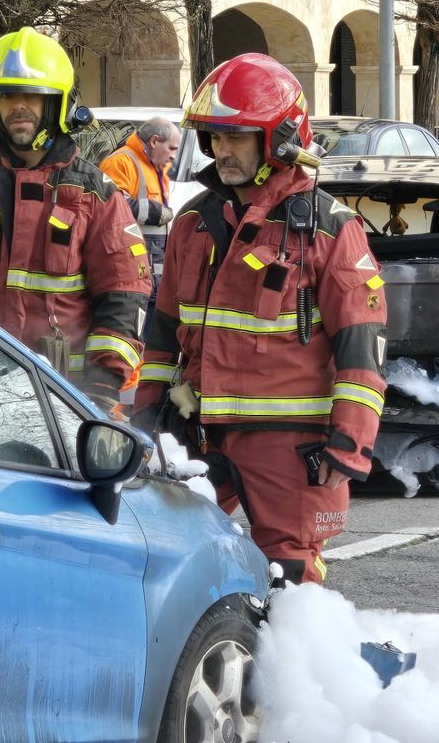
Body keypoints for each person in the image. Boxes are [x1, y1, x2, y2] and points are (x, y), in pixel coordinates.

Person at [133, 52, 389, 585]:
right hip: (198, 433)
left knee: (291, 575)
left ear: (278, 138)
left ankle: (296, 669)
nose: (221, 151)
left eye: (237, 138)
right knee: (171, 567)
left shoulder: (329, 231)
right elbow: (162, 335)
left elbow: (360, 352)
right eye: (215, 139)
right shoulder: (194, 223)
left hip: (290, 447)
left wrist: (350, 442)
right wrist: (147, 418)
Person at [0, 27, 151, 410]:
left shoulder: (97, 195)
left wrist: (100, 392)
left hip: (62, 397)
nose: (18, 106)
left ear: (56, 105)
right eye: (8, 96)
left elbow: (123, 298)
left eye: (32, 96)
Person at [99, 116, 179, 299]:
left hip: (150, 280)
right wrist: (154, 211)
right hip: (130, 279)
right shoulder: (120, 162)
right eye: (171, 148)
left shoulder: (152, 168)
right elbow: (110, 205)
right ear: (154, 141)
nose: (173, 155)